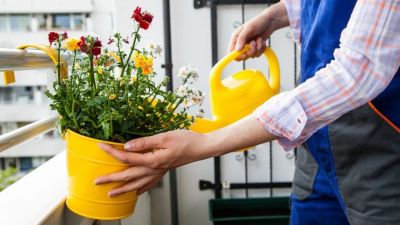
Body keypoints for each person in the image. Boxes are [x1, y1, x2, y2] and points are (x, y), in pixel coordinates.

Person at [95, 1, 400, 224]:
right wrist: (277, 16)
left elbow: (359, 69)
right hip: (315, 151)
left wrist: (205, 143)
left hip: (381, 156)